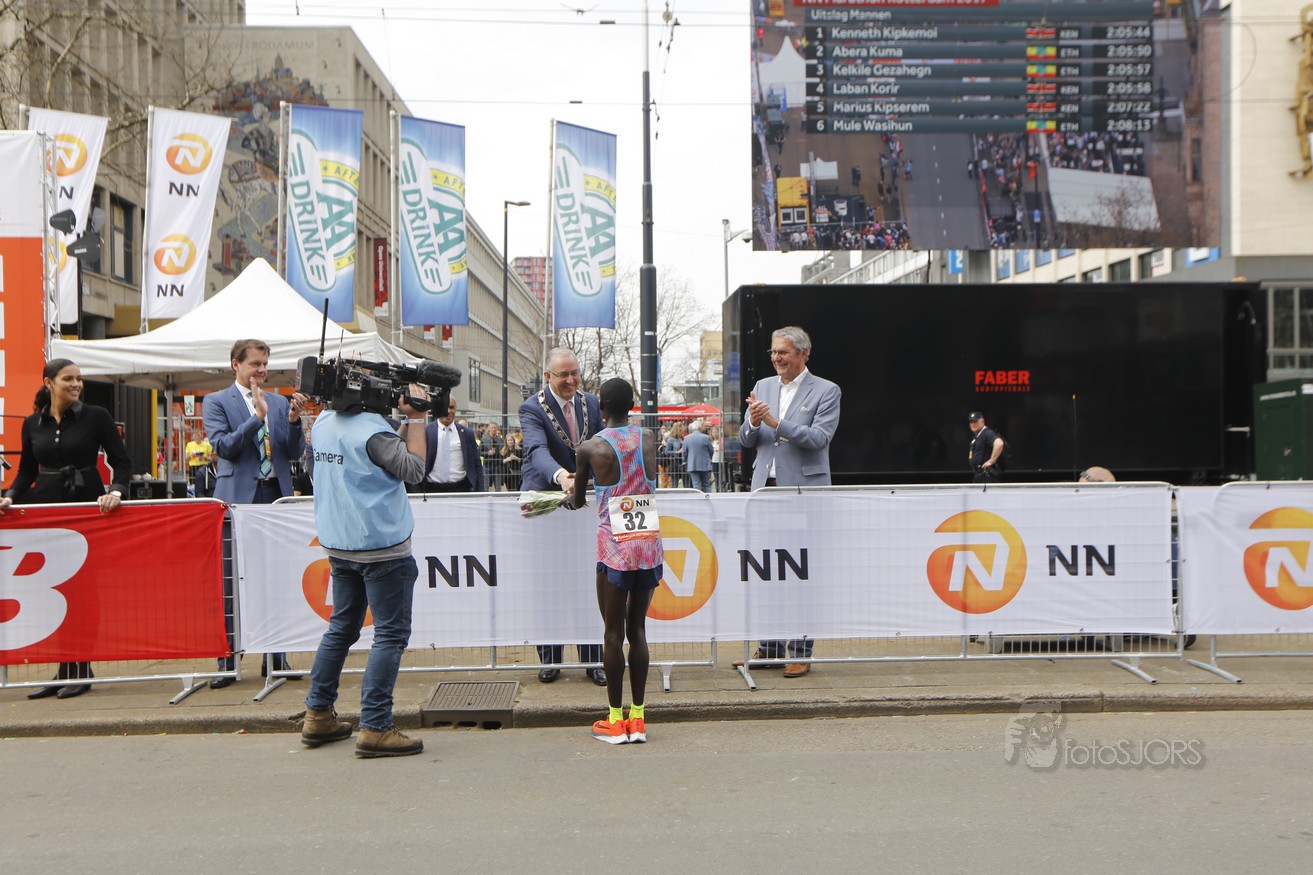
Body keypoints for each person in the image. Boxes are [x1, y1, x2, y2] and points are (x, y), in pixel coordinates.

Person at [299, 381, 431, 758]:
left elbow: (321, 465)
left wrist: (403, 424)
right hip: (381, 545)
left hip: (340, 542)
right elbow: (413, 469)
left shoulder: (324, 423)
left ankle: (317, 714)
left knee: (342, 627)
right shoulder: (373, 431)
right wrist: (417, 419)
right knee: (389, 634)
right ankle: (375, 726)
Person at [0, 358, 132, 700]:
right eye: (68, 379)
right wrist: (10, 497)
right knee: (55, 591)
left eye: (79, 379)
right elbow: (26, 472)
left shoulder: (97, 416)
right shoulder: (32, 423)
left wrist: (116, 491)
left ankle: (80, 668)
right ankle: (64, 668)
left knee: (83, 593)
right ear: (49, 383)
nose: (76, 384)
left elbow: (122, 462)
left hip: (87, 512)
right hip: (48, 512)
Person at [562, 378, 664, 744]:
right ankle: (638, 719)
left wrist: (568, 498)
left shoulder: (590, 447)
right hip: (647, 544)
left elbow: (577, 500)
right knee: (638, 631)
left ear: (601, 408)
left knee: (612, 633)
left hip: (614, 549)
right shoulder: (648, 437)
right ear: (632, 405)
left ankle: (615, 721)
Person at [202, 339, 308, 688]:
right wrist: (256, 419)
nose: (261, 370)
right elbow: (224, 447)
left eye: (264, 364)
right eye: (255, 364)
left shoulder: (278, 401)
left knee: (276, 579)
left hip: (275, 497)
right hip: (237, 501)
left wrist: (293, 420)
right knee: (231, 581)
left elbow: (293, 451)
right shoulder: (217, 401)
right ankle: (228, 660)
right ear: (236, 364)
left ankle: (276, 658)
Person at [738, 326, 841, 677]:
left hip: (802, 497)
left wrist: (775, 422)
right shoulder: (763, 386)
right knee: (766, 573)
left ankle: (800, 650)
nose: (776, 358)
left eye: (783, 352)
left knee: (800, 575)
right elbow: (747, 439)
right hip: (765, 495)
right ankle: (769, 648)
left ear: (803, 353)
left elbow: (819, 438)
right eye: (773, 352)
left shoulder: (827, 390)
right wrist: (753, 424)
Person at [517, 347, 606, 686]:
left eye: (575, 373)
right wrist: (562, 477)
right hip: (546, 502)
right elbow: (536, 450)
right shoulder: (531, 408)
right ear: (548, 377)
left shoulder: (591, 403)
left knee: (590, 581)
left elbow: (600, 444)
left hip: (585, 505)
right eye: (563, 375)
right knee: (548, 583)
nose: (571, 380)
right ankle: (550, 658)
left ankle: (594, 659)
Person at [418, 396, 484, 492]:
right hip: (432, 489)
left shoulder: (466, 433)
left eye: (451, 407)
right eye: (444, 407)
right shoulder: (425, 431)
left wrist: (480, 491)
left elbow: (476, 463)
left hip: (460, 489)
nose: (448, 411)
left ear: (456, 408)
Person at [968, 411, 1004, 482]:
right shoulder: (977, 436)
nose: (973, 424)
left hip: (987, 476)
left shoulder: (986, 433)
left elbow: (999, 443)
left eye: (975, 422)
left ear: (982, 421)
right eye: (971, 422)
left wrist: (991, 461)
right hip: (980, 475)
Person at [681, 419, 714, 493]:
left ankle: (698, 498)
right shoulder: (706, 437)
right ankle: (708, 498)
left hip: (692, 464)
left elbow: (684, 452)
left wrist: (686, 460)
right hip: (705, 464)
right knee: (706, 484)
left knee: (696, 485)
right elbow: (711, 450)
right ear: (700, 428)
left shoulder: (686, 438)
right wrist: (709, 458)